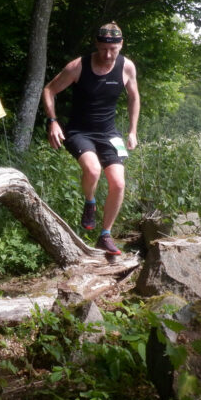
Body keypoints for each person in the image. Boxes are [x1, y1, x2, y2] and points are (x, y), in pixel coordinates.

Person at [41, 21, 140, 256]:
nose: (108, 55)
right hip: (79, 132)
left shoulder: (127, 67)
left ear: (121, 45)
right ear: (96, 44)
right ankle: (90, 202)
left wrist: (133, 131)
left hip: (109, 134)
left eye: (113, 50)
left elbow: (134, 97)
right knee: (93, 170)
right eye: (104, 49)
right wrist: (53, 121)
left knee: (118, 182)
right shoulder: (78, 66)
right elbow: (49, 90)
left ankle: (105, 235)